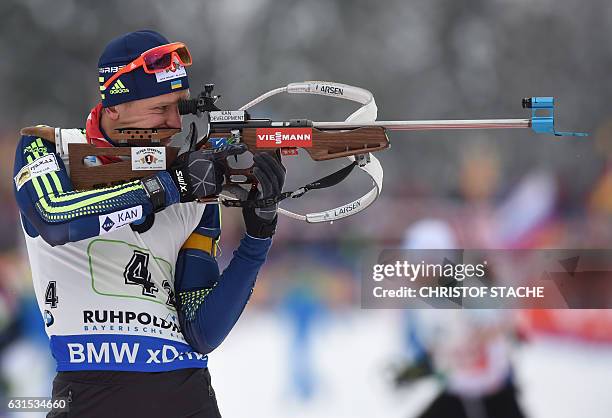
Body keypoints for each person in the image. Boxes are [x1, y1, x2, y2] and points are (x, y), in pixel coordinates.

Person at [12, 30, 285, 417]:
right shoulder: (49, 149)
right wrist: (168, 187)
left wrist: (258, 236)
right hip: (89, 399)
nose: (175, 123)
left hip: (188, 400)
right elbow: (55, 217)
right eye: (161, 109)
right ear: (114, 107)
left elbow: (202, 331)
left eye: (180, 107)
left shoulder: (193, 183)